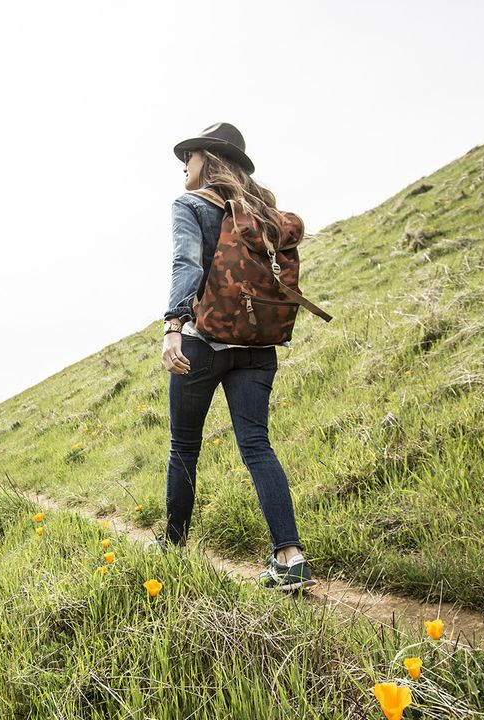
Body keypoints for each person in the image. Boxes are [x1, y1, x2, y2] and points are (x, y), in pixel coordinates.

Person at [145, 122, 314, 592]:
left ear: (210, 160)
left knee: (184, 446)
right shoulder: (264, 213)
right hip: (258, 348)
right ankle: (290, 556)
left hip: (203, 340)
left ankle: (174, 545)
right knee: (257, 446)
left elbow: (187, 265)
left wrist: (173, 328)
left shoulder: (191, 204)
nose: (184, 164)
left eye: (191, 155)